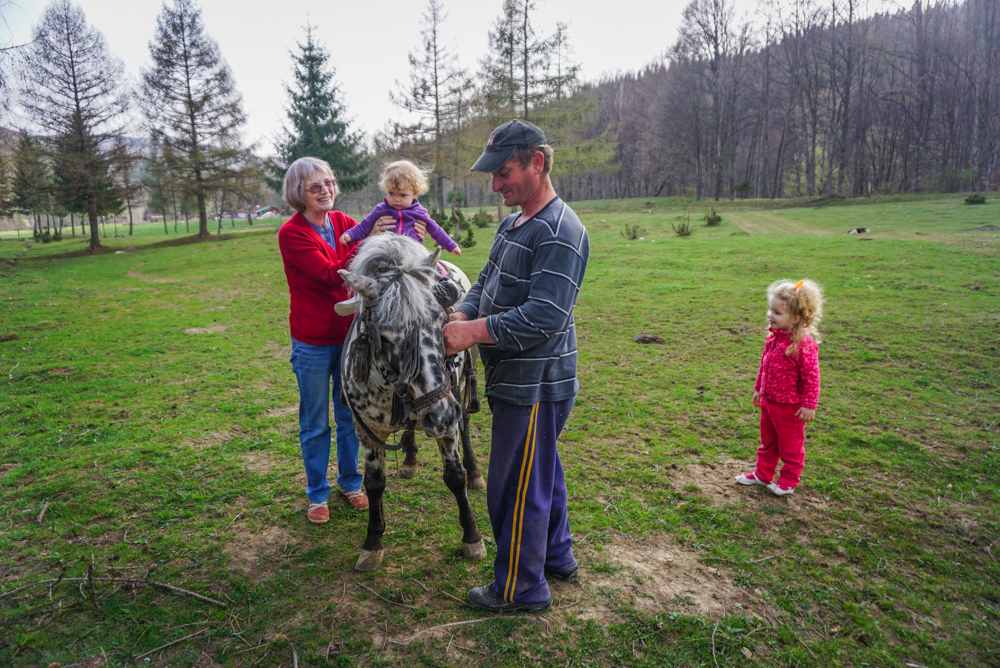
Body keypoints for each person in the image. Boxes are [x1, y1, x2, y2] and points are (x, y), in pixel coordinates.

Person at [443, 120, 589, 613]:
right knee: (541, 472)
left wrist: (472, 333)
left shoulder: (561, 230)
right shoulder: (513, 224)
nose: (495, 185)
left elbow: (545, 316)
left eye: (504, 173)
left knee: (514, 486)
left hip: (537, 383)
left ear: (537, 163)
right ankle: (556, 555)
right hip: (516, 379)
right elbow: (485, 280)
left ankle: (521, 588)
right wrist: (464, 310)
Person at [277, 157, 426, 524]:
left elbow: (371, 257)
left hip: (351, 338)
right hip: (313, 341)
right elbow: (333, 274)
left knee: (350, 414)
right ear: (299, 193)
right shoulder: (292, 233)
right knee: (315, 421)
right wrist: (371, 235)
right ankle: (317, 495)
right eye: (315, 186)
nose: (325, 190)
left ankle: (350, 482)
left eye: (328, 182)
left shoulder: (344, 223)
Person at [336, 160, 461, 315]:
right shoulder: (381, 210)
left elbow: (436, 230)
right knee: (370, 268)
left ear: (415, 194)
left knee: (430, 262)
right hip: (386, 253)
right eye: (391, 194)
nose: (396, 199)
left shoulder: (419, 212)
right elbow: (364, 226)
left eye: (403, 195)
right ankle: (363, 298)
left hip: (413, 253)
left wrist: (451, 245)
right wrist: (350, 234)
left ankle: (444, 282)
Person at [736, 279, 824, 497]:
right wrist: (759, 388)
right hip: (769, 401)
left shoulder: (804, 345)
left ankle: (788, 480)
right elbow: (764, 365)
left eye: (777, 312)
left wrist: (810, 406)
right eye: (770, 309)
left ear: (795, 318)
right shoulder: (773, 338)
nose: (770, 315)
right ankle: (762, 474)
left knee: (790, 446)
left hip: (790, 408)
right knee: (768, 441)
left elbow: (812, 378)